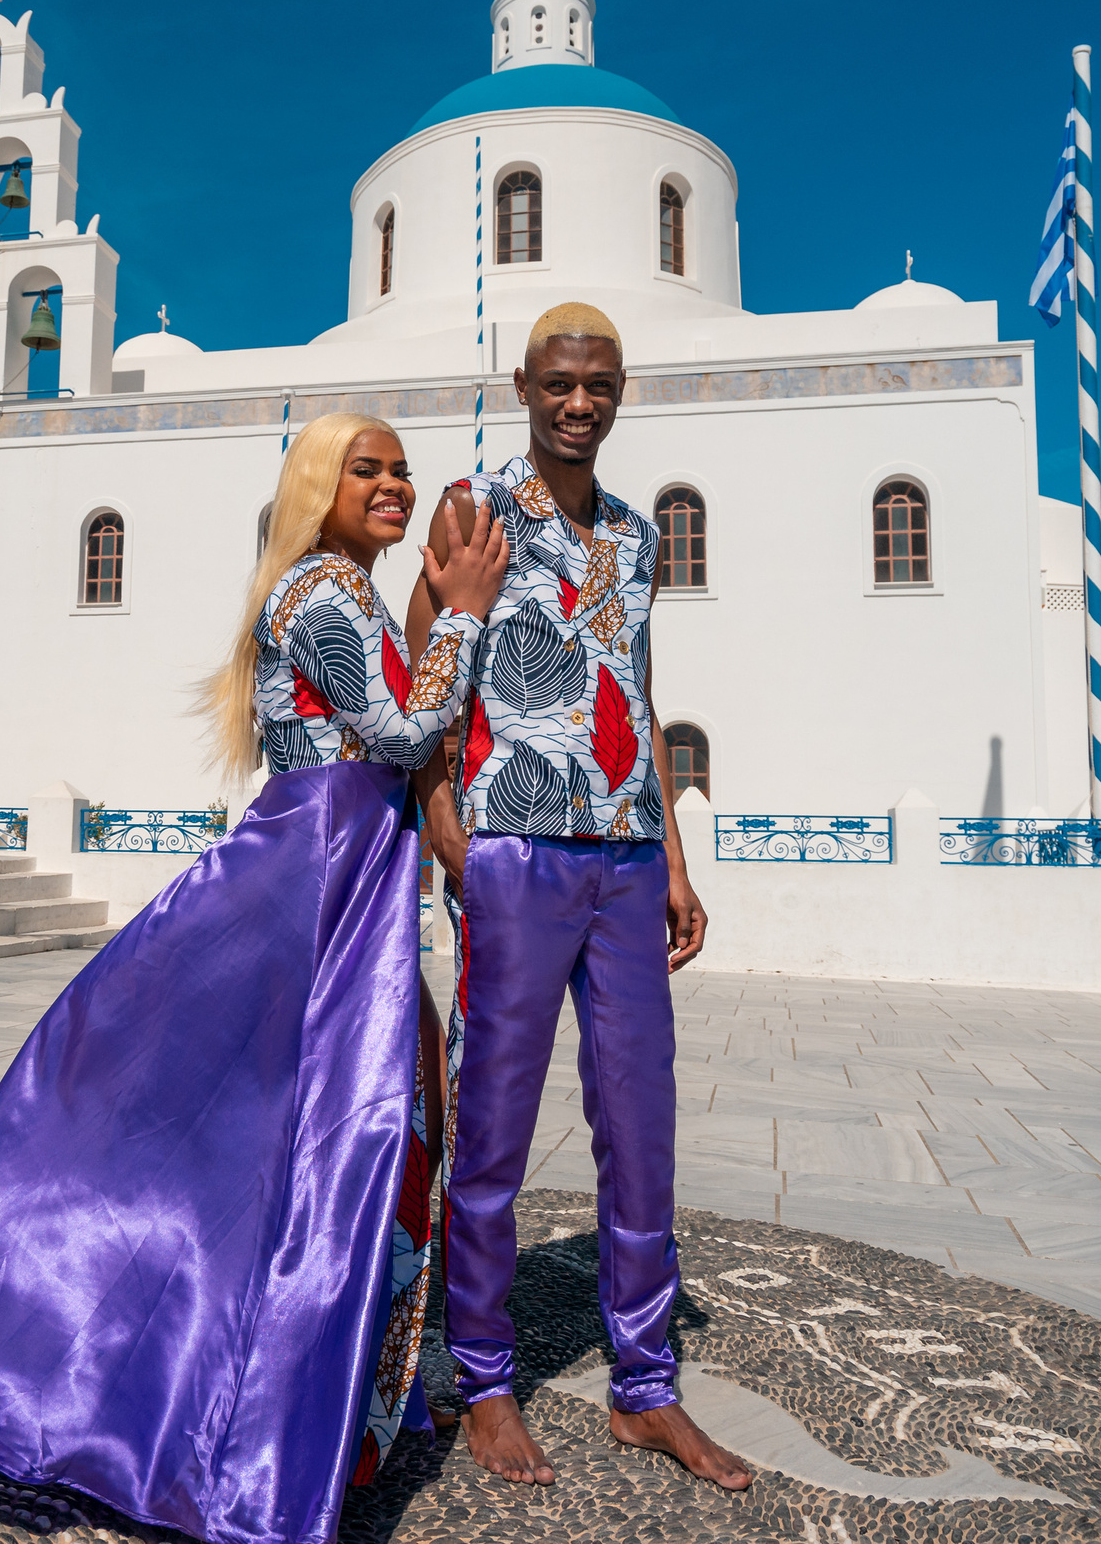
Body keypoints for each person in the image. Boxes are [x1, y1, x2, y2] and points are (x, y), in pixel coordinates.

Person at [0, 412, 509, 1544]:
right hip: (304, 891)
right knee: (322, 1142)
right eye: (369, 469)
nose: (394, 483)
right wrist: (463, 614)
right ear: (319, 488)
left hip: (341, 887)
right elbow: (399, 732)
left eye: (401, 468)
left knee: (363, 1133)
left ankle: (329, 1410)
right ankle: (248, 1419)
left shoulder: (338, 592)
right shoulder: (319, 593)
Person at [404, 302, 752, 1491]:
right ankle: (485, 1379)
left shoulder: (637, 539)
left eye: (598, 384)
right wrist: (444, 817)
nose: (578, 403)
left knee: (639, 1127)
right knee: (493, 1131)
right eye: (558, 383)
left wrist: (675, 857)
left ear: (620, 391)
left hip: (622, 854)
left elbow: (639, 693)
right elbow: (422, 662)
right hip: (513, 851)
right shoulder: (473, 508)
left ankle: (644, 1391)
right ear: (523, 385)